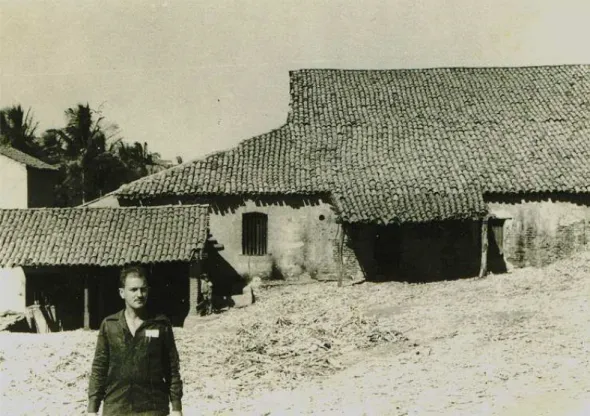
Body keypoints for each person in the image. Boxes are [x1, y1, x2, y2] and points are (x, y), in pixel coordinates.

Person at [88, 265, 183, 416]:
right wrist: (92, 408)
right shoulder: (110, 325)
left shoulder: (161, 325)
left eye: (143, 289)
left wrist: (177, 407)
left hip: (153, 408)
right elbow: (99, 368)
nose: (139, 294)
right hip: (117, 407)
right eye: (133, 290)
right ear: (122, 293)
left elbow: (171, 369)